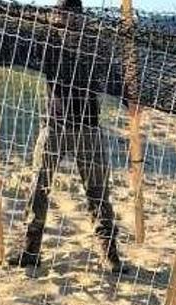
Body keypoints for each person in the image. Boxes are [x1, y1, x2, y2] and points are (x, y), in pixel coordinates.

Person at [13, 0, 123, 272]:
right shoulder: (48, 42)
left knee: (98, 193)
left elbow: (116, 77)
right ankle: (30, 249)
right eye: (57, 15)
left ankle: (109, 253)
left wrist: (132, 99)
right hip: (54, 126)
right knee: (39, 187)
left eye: (64, 15)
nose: (59, 20)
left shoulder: (94, 47)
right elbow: (15, 48)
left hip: (89, 128)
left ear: (78, 19)